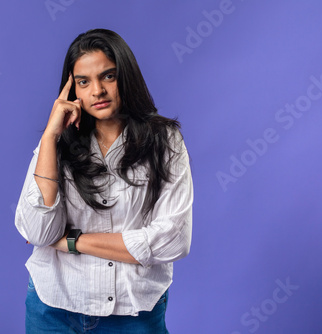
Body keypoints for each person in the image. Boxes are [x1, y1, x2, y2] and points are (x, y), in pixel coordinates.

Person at [15, 28, 193, 333]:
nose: (97, 90)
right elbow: (38, 231)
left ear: (126, 76)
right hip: (54, 309)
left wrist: (71, 242)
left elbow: (173, 238)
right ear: (73, 91)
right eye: (83, 82)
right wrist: (49, 137)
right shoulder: (56, 144)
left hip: (133, 310)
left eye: (108, 76)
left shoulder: (165, 141)